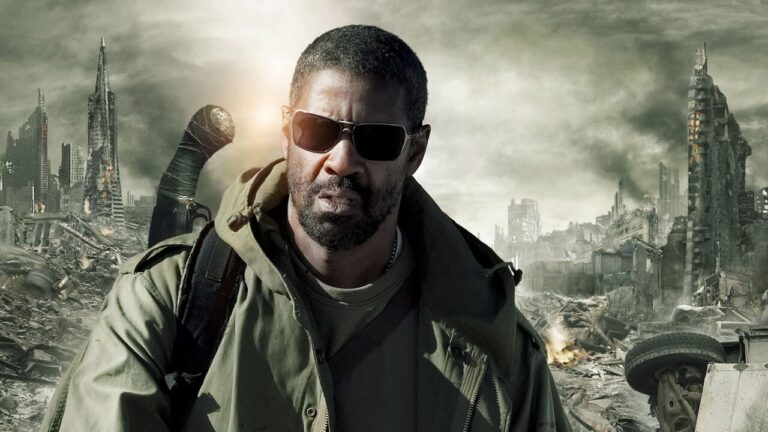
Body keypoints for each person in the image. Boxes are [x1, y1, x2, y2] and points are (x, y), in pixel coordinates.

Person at [41, 25, 571, 431]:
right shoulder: (163, 300)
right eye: (317, 130)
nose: (341, 160)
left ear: (415, 151)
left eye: (376, 140)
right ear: (286, 130)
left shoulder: (496, 345)